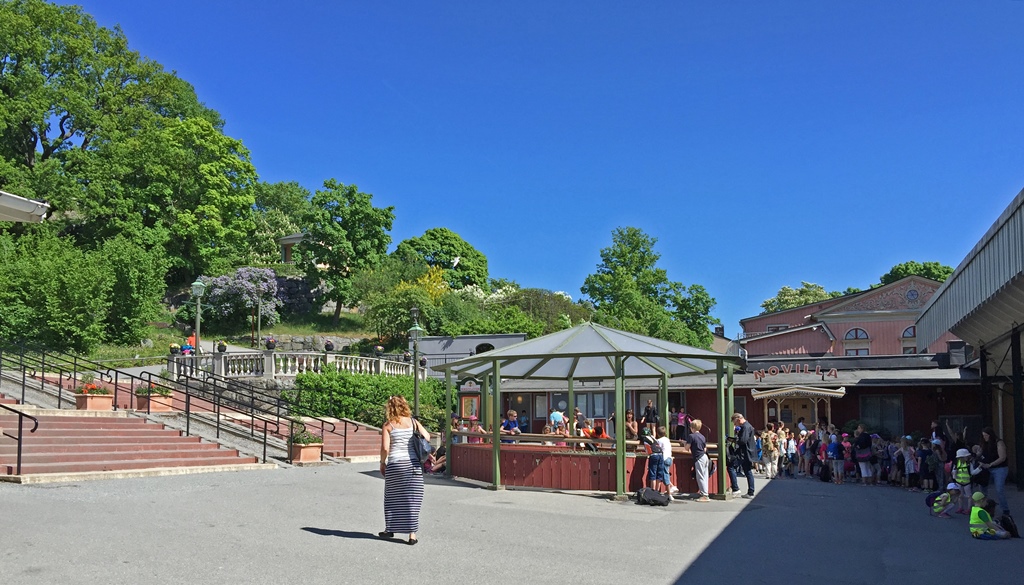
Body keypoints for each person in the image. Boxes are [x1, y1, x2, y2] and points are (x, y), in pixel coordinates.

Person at [378, 395, 427, 545]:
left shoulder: (388, 425)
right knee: (413, 498)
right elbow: (427, 436)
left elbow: (385, 448)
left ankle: (390, 529)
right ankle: (412, 535)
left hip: (396, 464)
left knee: (393, 497)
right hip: (413, 465)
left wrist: (382, 462)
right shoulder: (413, 422)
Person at [980, 427, 1010, 516]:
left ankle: (1005, 509)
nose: (985, 437)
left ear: (990, 435)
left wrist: (991, 464)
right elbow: (981, 453)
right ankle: (985, 507)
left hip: (999, 468)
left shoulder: (999, 443)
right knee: (983, 487)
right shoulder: (984, 443)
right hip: (987, 467)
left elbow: (1002, 457)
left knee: (999, 489)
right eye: (983, 436)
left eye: (986, 435)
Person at [732, 413, 756, 498]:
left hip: (745, 452)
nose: (735, 425)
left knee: (734, 467)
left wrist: (736, 439)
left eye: (735, 423)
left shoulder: (745, 427)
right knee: (747, 471)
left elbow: (743, 440)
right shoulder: (748, 425)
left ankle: (748, 491)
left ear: (738, 419)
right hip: (748, 451)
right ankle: (750, 491)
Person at [687, 419, 710, 502]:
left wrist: (684, 443)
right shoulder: (702, 436)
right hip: (704, 456)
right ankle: (705, 492)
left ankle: (704, 495)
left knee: (700, 476)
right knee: (705, 476)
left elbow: (687, 448)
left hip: (698, 457)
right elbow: (705, 448)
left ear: (692, 428)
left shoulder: (691, 436)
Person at [656, 426, 676, 496]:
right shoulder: (667, 440)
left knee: (665, 475)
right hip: (669, 458)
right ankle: (671, 487)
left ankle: (669, 491)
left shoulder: (659, 441)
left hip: (663, 459)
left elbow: (658, 449)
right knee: (665, 473)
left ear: (657, 433)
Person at [952, 448, 973, 514]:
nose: (967, 458)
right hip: (959, 482)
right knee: (960, 496)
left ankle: (969, 508)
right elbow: (954, 471)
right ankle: (960, 507)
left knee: (969, 496)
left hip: (967, 482)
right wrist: (954, 477)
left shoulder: (969, 464)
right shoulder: (956, 464)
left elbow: (972, 472)